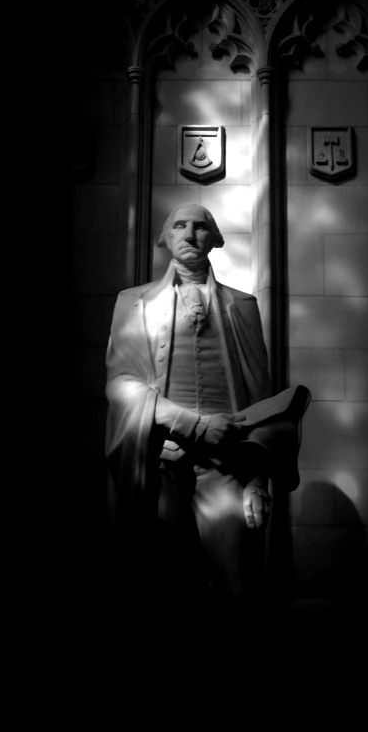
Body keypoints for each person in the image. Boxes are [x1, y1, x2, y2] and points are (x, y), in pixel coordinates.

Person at [105, 203, 309, 619]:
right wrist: (194, 425)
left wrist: (257, 482)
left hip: (227, 467)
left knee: (239, 587)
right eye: (180, 226)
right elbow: (121, 385)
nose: (191, 233)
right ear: (166, 239)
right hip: (159, 461)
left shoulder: (242, 305)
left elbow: (260, 399)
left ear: (215, 239)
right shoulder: (133, 303)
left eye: (201, 227)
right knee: (166, 588)